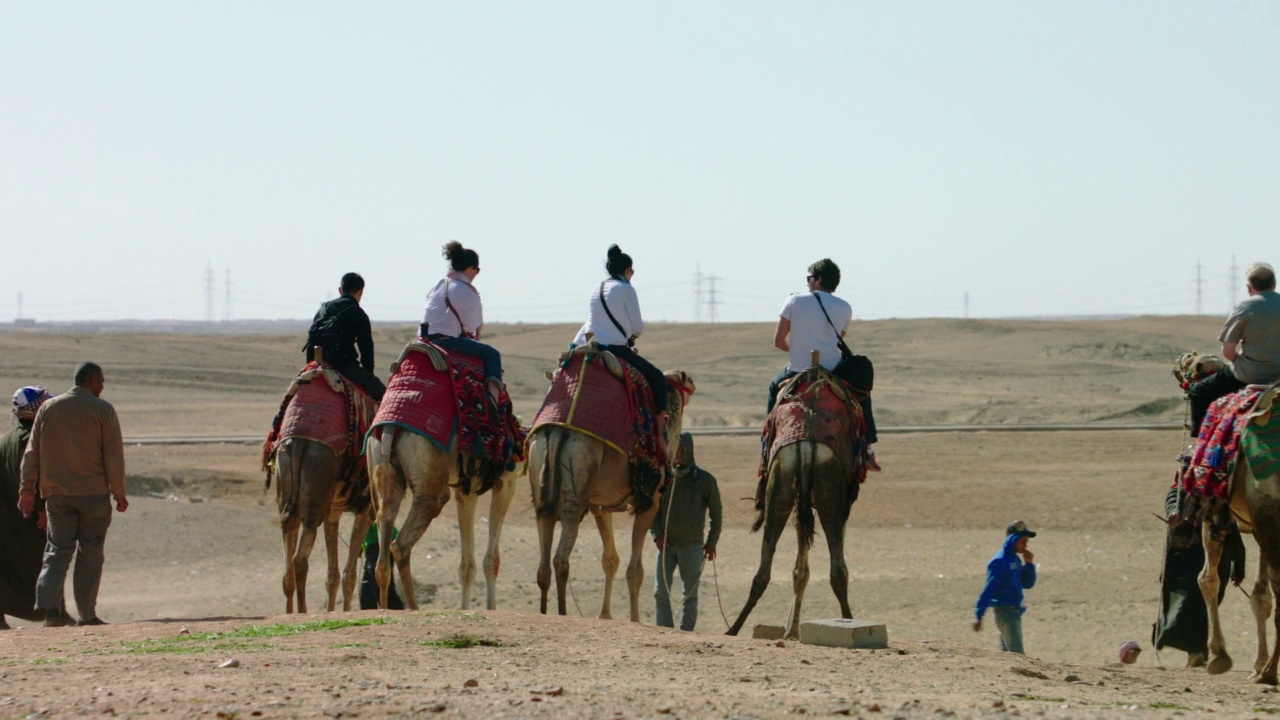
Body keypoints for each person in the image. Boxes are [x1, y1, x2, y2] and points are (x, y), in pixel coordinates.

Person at [17, 363, 128, 627]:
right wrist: (119, 493)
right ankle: (87, 615)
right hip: (93, 495)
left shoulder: (48, 408)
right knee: (90, 553)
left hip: (57, 496)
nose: (103, 385)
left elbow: (32, 453)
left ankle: (51, 610)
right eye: (101, 380)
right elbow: (113, 456)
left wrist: (26, 490)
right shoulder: (102, 410)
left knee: (57, 551)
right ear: (91, 381)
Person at [767, 258, 879, 461]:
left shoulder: (793, 300)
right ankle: (867, 448)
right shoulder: (845, 306)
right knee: (862, 393)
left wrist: (796, 348)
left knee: (774, 387)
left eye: (809, 278)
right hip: (832, 370)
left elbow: (778, 341)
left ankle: (767, 447)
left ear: (818, 279)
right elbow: (837, 340)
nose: (807, 283)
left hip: (797, 370)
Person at [580, 244, 670, 430]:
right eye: (633, 271)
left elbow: (590, 325)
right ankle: (660, 428)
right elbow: (638, 327)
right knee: (657, 378)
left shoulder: (596, 289)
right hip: (617, 350)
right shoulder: (626, 289)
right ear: (628, 270)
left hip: (592, 348)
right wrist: (632, 336)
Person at [1153, 487, 1245, 667]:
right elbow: (1174, 497)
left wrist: (1238, 566)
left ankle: (1197, 651)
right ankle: (1196, 651)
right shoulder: (1185, 486)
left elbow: (1231, 530)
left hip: (1214, 560)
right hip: (1184, 558)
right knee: (1186, 605)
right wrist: (1173, 513)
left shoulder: (1220, 494)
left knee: (1204, 607)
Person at [1187, 262, 1280, 437]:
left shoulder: (1246, 307)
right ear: (1274, 284)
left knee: (1199, 392)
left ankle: (1200, 448)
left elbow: (1228, 351)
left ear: (1249, 288)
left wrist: (1241, 362)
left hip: (1249, 375)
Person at [651, 433, 722, 631]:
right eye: (674, 451)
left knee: (690, 595)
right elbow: (652, 510)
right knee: (660, 593)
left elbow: (716, 514)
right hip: (666, 546)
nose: (677, 456)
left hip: (692, 547)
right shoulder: (664, 479)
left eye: (681, 451)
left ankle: (686, 633)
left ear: (689, 451)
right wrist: (656, 534)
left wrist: (711, 543)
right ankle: (665, 631)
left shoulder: (705, 481)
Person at [421, 241, 505, 406]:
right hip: (447, 340)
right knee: (492, 354)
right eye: (477, 270)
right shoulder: (464, 289)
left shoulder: (438, 284)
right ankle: (493, 405)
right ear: (470, 269)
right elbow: (473, 324)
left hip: (425, 338)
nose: (476, 274)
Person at [1, 387, 56, 629]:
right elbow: (31, 476)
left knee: (10, 567)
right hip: (29, 517)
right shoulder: (28, 438)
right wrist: (43, 509)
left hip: (10, 518)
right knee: (47, 562)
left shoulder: (9, 437)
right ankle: (52, 613)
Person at [303, 272, 385, 401]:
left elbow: (311, 339)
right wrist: (368, 376)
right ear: (361, 292)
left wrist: (310, 366)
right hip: (345, 367)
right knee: (384, 396)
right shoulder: (358, 313)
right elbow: (366, 348)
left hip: (317, 363)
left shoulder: (323, 309)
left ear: (340, 290)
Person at [972, 520, 1038, 654]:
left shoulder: (1015, 559)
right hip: (1005, 612)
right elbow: (989, 588)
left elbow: (1027, 583)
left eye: (1026, 542)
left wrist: (1029, 565)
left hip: (1015, 611)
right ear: (1012, 540)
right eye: (1022, 541)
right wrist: (979, 614)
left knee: (1007, 654)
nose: (1025, 545)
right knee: (1017, 655)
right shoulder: (1000, 561)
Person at [358, 523, 403, 610]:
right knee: (366, 593)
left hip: (381, 544)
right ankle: (370, 620)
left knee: (380, 586)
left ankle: (397, 614)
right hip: (371, 546)